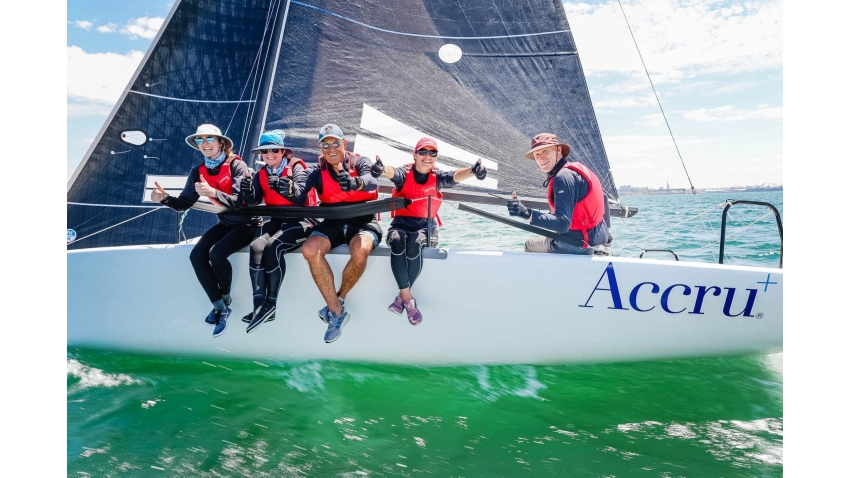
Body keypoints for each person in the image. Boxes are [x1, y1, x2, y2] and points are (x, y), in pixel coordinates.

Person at [150, 124, 259, 337]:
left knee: (216, 254)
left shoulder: (238, 165)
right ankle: (220, 306)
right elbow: (183, 204)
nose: (205, 144)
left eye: (210, 139)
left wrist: (213, 192)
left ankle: (225, 301)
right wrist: (164, 199)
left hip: (248, 223)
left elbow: (241, 201)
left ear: (221, 143)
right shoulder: (198, 171)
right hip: (226, 223)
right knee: (196, 256)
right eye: (200, 140)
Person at [370, 137, 487, 325]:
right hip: (401, 224)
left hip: (425, 227)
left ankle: (402, 298)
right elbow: (392, 174)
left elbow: (454, 176)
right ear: (414, 155)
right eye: (423, 152)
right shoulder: (404, 174)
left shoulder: (438, 177)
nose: (427, 156)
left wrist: (473, 171)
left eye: (432, 153)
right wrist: (382, 169)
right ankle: (408, 300)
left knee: (415, 243)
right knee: (398, 240)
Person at [300, 124, 381, 343]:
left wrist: (357, 183)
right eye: (325, 144)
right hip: (331, 222)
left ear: (344, 144)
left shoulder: (359, 162)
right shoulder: (316, 170)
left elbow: (373, 179)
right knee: (309, 249)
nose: (331, 148)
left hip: (363, 220)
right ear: (321, 148)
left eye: (335, 142)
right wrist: (291, 190)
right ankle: (337, 312)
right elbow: (301, 187)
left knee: (361, 249)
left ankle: (339, 298)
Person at [240, 130, 318, 333]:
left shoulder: (297, 167)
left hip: (302, 221)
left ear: (283, 151)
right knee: (257, 245)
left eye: (274, 150)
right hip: (276, 220)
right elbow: (254, 200)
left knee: (273, 247)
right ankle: (259, 306)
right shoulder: (261, 174)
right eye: (265, 151)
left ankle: (271, 305)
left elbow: (301, 194)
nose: (269, 154)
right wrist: (247, 193)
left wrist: (287, 189)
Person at [507, 133, 611, 255]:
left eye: (545, 151)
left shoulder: (563, 177)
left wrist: (524, 212)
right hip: (596, 239)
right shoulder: (576, 171)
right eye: (537, 155)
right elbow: (603, 197)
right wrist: (607, 235)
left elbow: (562, 224)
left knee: (529, 245)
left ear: (558, 150)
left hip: (576, 243)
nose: (541, 158)